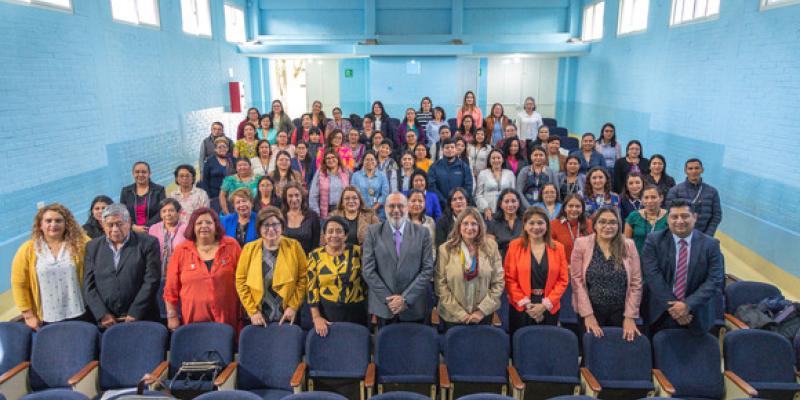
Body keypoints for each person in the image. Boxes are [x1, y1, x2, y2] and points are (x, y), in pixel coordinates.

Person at [641, 198, 725, 335]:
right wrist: (676, 308)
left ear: (695, 217)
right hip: (660, 312)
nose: (679, 221)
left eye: (685, 216)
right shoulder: (654, 241)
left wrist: (687, 305)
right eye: (674, 217)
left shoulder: (711, 245)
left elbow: (715, 279)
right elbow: (652, 276)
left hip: (696, 313)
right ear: (668, 219)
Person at [12, 204, 90, 329]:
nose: (53, 225)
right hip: (47, 317)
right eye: (48, 221)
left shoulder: (81, 243)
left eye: (58, 221)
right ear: (40, 225)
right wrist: (28, 315)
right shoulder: (28, 249)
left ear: (66, 224)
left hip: (80, 312)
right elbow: (19, 283)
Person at [163, 208, 241, 331]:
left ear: (216, 226)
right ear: (192, 227)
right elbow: (171, 288)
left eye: (208, 222)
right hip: (193, 321)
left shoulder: (231, 246)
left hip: (228, 319)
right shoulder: (181, 251)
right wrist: (172, 316)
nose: (204, 226)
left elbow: (243, 280)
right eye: (199, 223)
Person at [362, 193, 435, 325]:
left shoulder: (422, 233)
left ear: (407, 208)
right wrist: (390, 300)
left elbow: (428, 269)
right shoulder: (373, 232)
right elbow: (368, 270)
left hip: (413, 306)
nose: (396, 210)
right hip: (384, 307)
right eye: (391, 206)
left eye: (400, 206)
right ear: (385, 208)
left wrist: (405, 299)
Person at [570, 207, 642, 341]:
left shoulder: (629, 245)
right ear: (595, 225)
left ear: (619, 225)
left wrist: (630, 316)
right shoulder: (581, 244)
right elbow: (577, 281)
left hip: (621, 311)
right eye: (602, 222)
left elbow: (636, 282)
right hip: (590, 309)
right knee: (591, 348)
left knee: (617, 349)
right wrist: (588, 315)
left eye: (613, 222)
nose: (608, 226)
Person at [84, 204, 161, 326]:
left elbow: (152, 280)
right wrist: (102, 314)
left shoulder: (148, 243)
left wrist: (135, 312)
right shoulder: (93, 247)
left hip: (143, 317)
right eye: (110, 225)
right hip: (107, 322)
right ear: (103, 225)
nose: (115, 229)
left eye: (119, 224)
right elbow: (89, 285)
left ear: (129, 222)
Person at [236, 206, 307, 327]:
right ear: (259, 228)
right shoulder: (249, 249)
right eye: (266, 225)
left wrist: (293, 306)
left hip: (288, 314)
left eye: (275, 224)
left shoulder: (295, 246)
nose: (271, 229)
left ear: (282, 226)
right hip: (257, 316)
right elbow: (240, 281)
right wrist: (253, 312)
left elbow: (303, 278)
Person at [435, 207, 504, 329]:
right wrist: (461, 314)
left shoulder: (491, 247)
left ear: (480, 226)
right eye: (465, 223)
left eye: (474, 224)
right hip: (452, 317)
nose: (469, 228)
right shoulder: (445, 249)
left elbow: (498, 282)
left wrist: (481, 311)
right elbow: (441, 286)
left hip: (483, 316)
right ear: (458, 226)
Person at [505, 207, 569, 333]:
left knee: (546, 342)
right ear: (524, 226)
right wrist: (526, 305)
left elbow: (563, 280)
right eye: (531, 223)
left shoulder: (559, 248)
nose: (536, 227)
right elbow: (509, 278)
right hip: (522, 307)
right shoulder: (514, 246)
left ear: (547, 225)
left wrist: (545, 305)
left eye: (540, 223)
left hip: (549, 307)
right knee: (520, 342)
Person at [307, 217, 367, 336]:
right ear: (324, 236)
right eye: (330, 231)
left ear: (346, 235)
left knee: (356, 344)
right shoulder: (315, 255)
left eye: (339, 231)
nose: (334, 235)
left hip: (357, 312)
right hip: (327, 313)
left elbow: (368, 281)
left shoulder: (358, 252)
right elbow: (311, 288)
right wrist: (316, 317)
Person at [148, 198, 187, 320]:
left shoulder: (186, 228)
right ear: (160, 214)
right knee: (162, 310)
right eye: (164, 211)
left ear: (178, 212)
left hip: (180, 274)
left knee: (178, 309)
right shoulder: (153, 229)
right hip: (159, 274)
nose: (167, 214)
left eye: (171, 210)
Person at [665, 159, 722, 236]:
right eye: (690, 168)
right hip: (680, 236)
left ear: (702, 170)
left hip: (703, 236)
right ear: (685, 171)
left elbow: (716, 216)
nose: (694, 171)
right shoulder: (675, 191)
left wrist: (708, 235)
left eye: (696, 168)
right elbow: (669, 214)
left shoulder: (712, 192)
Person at [120, 161, 166, 233]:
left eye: (144, 172)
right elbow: (122, 212)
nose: (140, 174)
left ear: (149, 174)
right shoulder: (126, 191)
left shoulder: (159, 190)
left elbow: (162, 211)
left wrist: (146, 227)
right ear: (133, 174)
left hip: (154, 230)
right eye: (137, 172)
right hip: (132, 232)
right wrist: (132, 226)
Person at [428, 138, 473, 209]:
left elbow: (468, 186)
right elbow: (431, 186)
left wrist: (458, 200)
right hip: (440, 206)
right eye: (447, 147)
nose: (450, 149)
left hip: (460, 205)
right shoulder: (434, 167)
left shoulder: (464, 167)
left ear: (456, 149)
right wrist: (443, 201)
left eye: (452, 147)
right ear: (442, 149)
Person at [625, 185, 668, 254]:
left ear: (661, 198)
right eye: (646, 198)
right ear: (642, 200)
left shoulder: (669, 216)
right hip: (638, 259)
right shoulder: (633, 216)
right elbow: (627, 244)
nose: (649, 201)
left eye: (653, 197)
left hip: (663, 258)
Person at [310, 149, 351, 220]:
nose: (331, 160)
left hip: (344, 209)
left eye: (333, 157)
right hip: (327, 210)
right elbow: (313, 194)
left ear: (338, 159)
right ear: (325, 161)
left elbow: (352, 190)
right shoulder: (320, 172)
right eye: (328, 158)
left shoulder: (346, 171)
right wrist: (316, 213)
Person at [281, 182, 321, 254]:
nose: (294, 199)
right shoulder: (280, 216)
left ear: (302, 196)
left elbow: (316, 244)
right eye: (290, 196)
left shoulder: (313, 216)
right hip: (285, 258)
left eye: (297, 195)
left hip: (307, 258)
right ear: (285, 198)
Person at [475, 149, 516, 220]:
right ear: (489, 160)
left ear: (503, 160)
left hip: (506, 210)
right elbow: (479, 195)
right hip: (488, 212)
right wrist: (486, 208)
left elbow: (513, 193)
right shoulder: (483, 174)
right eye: (493, 158)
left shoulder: (510, 174)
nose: (496, 160)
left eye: (498, 158)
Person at [551, 194, 594, 260]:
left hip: (585, 264)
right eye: (570, 206)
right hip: (562, 264)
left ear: (582, 209)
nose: (574, 209)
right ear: (565, 208)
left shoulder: (589, 224)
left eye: (577, 206)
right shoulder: (554, 224)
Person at [485, 189, 525, 259]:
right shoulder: (493, 223)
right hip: (500, 260)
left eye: (513, 201)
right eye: (506, 201)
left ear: (518, 203)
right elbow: (490, 249)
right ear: (501, 204)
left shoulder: (526, 221)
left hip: (522, 259)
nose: (510, 204)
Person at [202, 137, 235, 212]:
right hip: (215, 195)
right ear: (215, 149)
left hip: (231, 194)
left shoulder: (232, 160)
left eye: (224, 147)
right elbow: (205, 180)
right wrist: (208, 197)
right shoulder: (209, 161)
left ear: (227, 149)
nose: (222, 149)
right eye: (219, 147)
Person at [407, 189, 437, 258]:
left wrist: (429, 262)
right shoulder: (401, 222)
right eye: (413, 201)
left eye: (420, 201)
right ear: (407, 202)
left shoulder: (430, 221)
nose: (417, 204)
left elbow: (432, 247)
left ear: (425, 203)